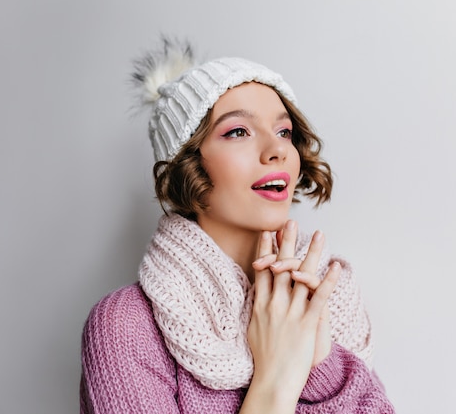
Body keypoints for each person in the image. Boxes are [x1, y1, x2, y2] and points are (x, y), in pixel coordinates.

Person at [80, 38, 394, 413]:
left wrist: (317, 362)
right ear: (188, 167)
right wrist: (275, 380)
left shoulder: (329, 302)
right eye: (238, 132)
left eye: (284, 133)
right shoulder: (125, 326)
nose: (276, 150)